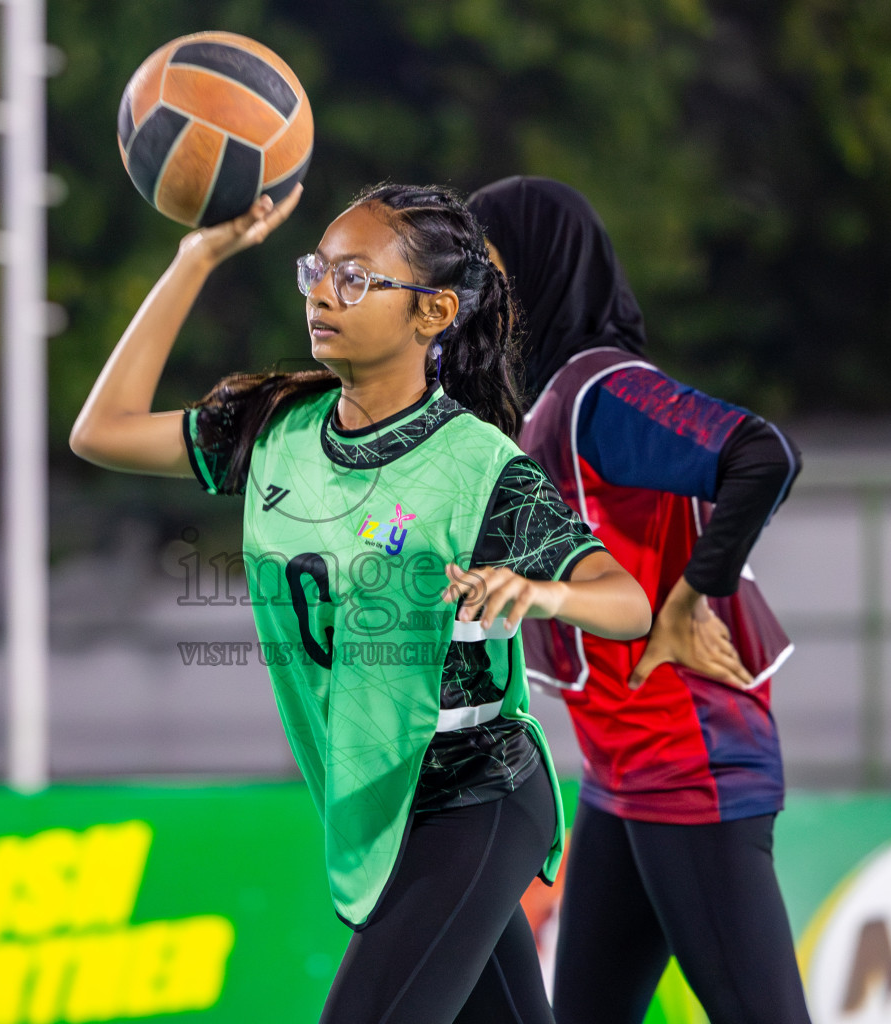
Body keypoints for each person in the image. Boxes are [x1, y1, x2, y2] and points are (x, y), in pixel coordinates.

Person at [71, 181, 652, 1024]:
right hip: (384, 806)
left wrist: (542, 590)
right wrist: (197, 255)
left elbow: (627, 601)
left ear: (433, 312)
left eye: (354, 278)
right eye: (317, 270)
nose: (320, 292)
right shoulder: (275, 425)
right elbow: (101, 430)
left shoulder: (476, 461)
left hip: (478, 792)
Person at [467, 176, 812, 1024]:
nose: (469, 292)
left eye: (485, 267)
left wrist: (695, 595)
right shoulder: (548, 401)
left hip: (688, 768)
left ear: (542, 270)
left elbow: (764, 454)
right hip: (623, 774)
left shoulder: (600, 392)